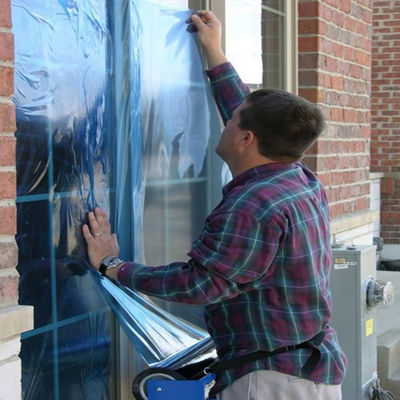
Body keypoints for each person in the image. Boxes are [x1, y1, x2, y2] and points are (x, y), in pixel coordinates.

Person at [82, 10, 347, 400]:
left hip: (271, 383)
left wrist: (113, 266)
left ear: (246, 139)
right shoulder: (297, 177)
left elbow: (201, 284)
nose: (225, 123)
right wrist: (214, 52)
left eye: (232, 121)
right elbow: (246, 111)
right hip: (304, 368)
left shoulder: (252, 205)